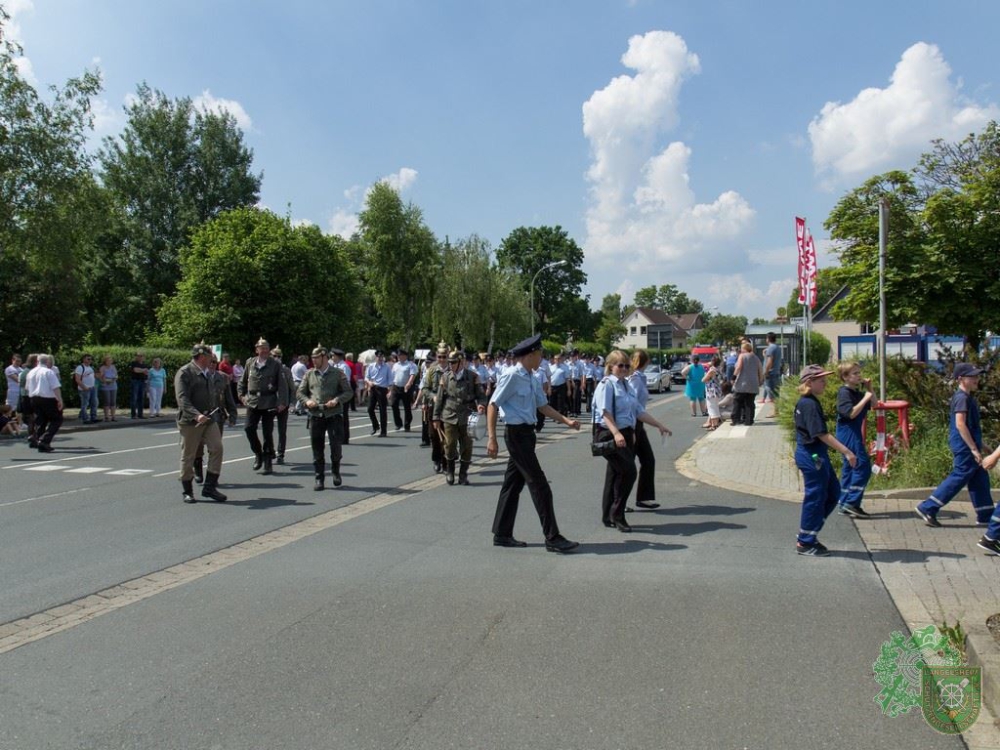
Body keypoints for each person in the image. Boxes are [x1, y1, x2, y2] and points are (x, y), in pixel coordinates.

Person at [487, 334, 581, 553]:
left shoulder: (532, 376)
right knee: (540, 486)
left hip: (528, 435)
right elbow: (493, 404)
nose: (541, 358)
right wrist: (492, 438)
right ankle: (553, 537)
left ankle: (501, 533)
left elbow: (543, 406)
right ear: (530, 354)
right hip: (516, 435)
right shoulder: (512, 375)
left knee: (512, 485)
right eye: (539, 354)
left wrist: (566, 420)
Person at [594, 350, 671, 532]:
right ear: (610, 366)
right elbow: (605, 412)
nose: (624, 369)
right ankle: (618, 513)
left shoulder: (626, 385)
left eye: (627, 365)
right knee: (628, 472)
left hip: (626, 432)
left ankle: (608, 515)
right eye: (620, 365)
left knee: (614, 473)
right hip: (609, 432)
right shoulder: (606, 385)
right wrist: (616, 433)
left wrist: (658, 425)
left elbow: (638, 411)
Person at [916, 363, 995, 528]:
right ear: (960, 379)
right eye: (972, 377)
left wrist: (983, 445)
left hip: (969, 443)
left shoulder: (967, 397)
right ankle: (928, 507)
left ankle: (986, 515)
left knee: (979, 477)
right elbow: (960, 424)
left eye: (977, 376)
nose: (976, 379)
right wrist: (973, 448)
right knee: (960, 475)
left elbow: (970, 426)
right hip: (964, 446)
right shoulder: (962, 398)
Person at [793, 365, 857, 556]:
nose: (825, 383)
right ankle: (805, 541)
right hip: (811, 454)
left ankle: (810, 533)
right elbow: (821, 434)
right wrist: (847, 452)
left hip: (815, 453)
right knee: (816, 496)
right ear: (809, 383)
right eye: (821, 380)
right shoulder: (809, 404)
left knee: (833, 492)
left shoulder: (810, 401)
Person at [174, 344, 228, 503]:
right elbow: (182, 398)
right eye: (210, 355)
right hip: (191, 422)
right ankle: (187, 491)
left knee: (217, 448)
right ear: (202, 356)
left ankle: (210, 487)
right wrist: (196, 415)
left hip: (209, 419)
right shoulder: (185, 372)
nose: (212, 358)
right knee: (188, 455)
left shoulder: (208, 373)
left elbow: (214, 395)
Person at [298, 345, 352, 491]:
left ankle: (335, 471)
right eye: (312, 358)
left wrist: (336, 400)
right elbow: (300, 392)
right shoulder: (309, 374)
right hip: (316, 414)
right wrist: (306, 401)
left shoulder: (337, 373)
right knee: (317, 448)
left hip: (333, 414)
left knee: (335, 446)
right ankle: (319, 477)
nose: (313, 361)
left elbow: (348, 392)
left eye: (316, 358)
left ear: (324, 357)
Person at [433, 350, 486, 486]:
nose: (450, 365)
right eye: (449, 363)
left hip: (467, 416)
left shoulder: (473, 377)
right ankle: (450, 471)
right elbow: (439, 399)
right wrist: (436, 417)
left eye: (453, 362)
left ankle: (463, 474)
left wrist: (481, 405)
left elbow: (481, 396)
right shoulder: (445, 378)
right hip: (449, 415)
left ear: (461, 362)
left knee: (467, 446)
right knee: (449, 445)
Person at [238, 337, 288, 475]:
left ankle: (267, 462)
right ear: (257, 350)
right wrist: (242, 396)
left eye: (266, 348)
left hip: (269, 401)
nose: (264, 351)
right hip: (253, 401)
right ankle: (258, 453)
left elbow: (282, 385)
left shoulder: (275, 364)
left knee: (267, 433)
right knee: (249, 428)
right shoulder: (250, 363)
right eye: (262, 348)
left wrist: (282, 402)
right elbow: (242, 382)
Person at [835, 362, 874, 518]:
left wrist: (869, 389)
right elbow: (850, 413)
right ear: (845, 377)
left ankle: (844, 502)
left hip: (855, 431)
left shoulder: (857, 392)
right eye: (855, 373)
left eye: (859, 373)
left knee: (850, 468)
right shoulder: (844, 393)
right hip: (848, 431)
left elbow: (875, 404)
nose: (859, 376)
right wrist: (865, 399)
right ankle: (852, 502)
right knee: (862, 466)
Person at [193, 354, 238, 485]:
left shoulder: (222, 378)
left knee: (215, 447)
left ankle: (212, 476)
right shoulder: (197, 376)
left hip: (217, 416)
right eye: (210, 361)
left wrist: (233, 415)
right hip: (201, 416)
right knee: (198, 445)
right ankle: (198, 469)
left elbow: (229, 398)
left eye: (214, 362)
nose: (212, 364)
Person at [627, 349, 662, 511]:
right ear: (645, 361)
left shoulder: (640, 377)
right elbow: (633, 406)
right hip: (633, 424)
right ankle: (618, 501)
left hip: (639, 424)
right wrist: (633, 429)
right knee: (626, 465)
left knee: (648, 460)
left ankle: (644, 497)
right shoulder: (634, 379)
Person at [418, 345, 449, 472]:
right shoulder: (431, 370)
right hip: (434, 407)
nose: (442, 359)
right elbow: (425, 388)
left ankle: (446, 461)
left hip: (448, 407)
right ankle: (437, 459)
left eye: (444, 357)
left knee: (448, 436)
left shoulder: (452, 370)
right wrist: (432, 397)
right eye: (439, 357)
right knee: (434, 435)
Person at [25, 353, 63, 452]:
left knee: (42, 419)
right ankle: (44, 440)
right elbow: (55, 387)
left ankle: (35, 438)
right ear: (47, 362)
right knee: (57, 419)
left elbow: (27, 388)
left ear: (37, 361)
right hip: (47, 398)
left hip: (34, 398)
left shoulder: (31, 372)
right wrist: (59, 400)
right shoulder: (48, 372)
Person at [270, 346, 297, 464]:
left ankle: (280, 453)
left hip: (283, 404)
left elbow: (292, 387)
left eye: (279, 356)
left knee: (282, 430)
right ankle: (269, 451)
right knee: (267, 430)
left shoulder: (285, 370)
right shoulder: (267, 369)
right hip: (269, 404)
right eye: (274, 356)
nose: (276, 358)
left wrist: (291, 402)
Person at [731, 342, 763, 426]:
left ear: (744, 349)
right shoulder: (756, 358)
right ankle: (749, 420)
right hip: (753, 383)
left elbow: (738, 367)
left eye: (742, 348)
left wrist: (733, 378)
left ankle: (736, 419)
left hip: (742, 383)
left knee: (737, 401)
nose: (741, 350)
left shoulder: (742, 356)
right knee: (750, 403)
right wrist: (760, 380)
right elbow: (760, 370)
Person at [365, 350, 391, 437]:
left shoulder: (386, 367)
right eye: (378, 357)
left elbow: (390, 379)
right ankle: (375, 425)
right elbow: (366, 377)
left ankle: (383, 431)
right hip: (373, 388)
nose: (380, 358)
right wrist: (369, 382)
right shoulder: (371, 366)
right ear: (375, 357)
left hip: (382, 389)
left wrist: (389, 390)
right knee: (370, 409)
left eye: (381, 357)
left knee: (383, 410)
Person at [390, 349, 417, 432]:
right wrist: (390, 390)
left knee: (407, 407)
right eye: (397, 355)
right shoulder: (395, 365)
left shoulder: (410, 365)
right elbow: (392, 376)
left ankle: (407, 424)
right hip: (396, 386)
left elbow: (412, 375)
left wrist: (409, 383)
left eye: (400, 355)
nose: (398, 357)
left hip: (406, 387)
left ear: (405, 356)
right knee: (393, 404)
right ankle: (398, 423)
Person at [330, 348, 353, 444]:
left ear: (337, 356)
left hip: (343, 393)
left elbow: (345, 381)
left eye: (333, 356)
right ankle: (338, 436)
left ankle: (344, 437)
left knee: (343, 416)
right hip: (336, 393)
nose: (332, 357)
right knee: (336, 416)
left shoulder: (344, 367)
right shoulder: (335, 365)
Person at [74, 353, 99, 424]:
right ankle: (85, 419)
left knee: (94, 403)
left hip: (92, 388)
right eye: (88, 359)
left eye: (91, 359)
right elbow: (77, 379)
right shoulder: (80, 367)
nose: (90, 360)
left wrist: (95, 385)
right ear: (84, 359)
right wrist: (84, 387)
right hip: (84, 389)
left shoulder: (91, 367)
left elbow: (93, 377)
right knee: (85, 404)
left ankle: (93, 417)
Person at [762, 332, 782, 416]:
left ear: (767, 339)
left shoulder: (770, 348)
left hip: (771, 373)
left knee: (771, 392)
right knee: (776, 393)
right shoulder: (777, 347)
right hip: (776, 372)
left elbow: (770, 361)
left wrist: (766, 372)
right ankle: (776, 410)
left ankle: (774, 412)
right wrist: (764, 355)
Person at [702, 355, 724, 430]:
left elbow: (703, 380)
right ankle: (715, 424)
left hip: (711, 391)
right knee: (715, 407)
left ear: (712, 362)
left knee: (712, 408)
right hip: (717, 390)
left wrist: (707, 371)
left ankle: (714, 425)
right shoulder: (719, 369)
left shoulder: (712, 370)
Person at [129, 352, 149, 419]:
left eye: (142, 356)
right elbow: (135, 370)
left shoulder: (145, 365)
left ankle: (140, 414)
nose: (140, 357)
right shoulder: (134, 363)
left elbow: (147, 373)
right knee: (134, 398)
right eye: (139, 356)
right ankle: (133, 415)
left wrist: (141, 370)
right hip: (135, 381)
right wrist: (143, 370)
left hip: (143, 382)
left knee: (141, 398)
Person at [98, 355, 118, 422]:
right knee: (107, 402)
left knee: (113, 402)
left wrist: (114, 378)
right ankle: (106, 416)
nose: (110, 362)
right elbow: (101, 377)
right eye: (108, 360)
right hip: (105, 386)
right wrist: (106, 380)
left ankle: (113, 416)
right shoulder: (102, 368)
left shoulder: (113, 367)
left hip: (113, 386)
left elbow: (116, 375)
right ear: (105, 361)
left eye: (111, 360)